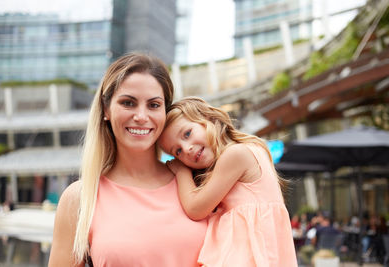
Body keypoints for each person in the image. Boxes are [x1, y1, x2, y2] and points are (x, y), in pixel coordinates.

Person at [48, 53, 207, 266]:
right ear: (106, 109)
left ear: (164, 112)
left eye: (153, 105)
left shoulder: (201, 182)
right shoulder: (80, 198)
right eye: (128, 103)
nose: (141, 116)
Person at [158, 96, 298, 267]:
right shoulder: (249, 150)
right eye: (177, 151)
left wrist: (181, 171)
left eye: (187, 133)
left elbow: (195, 208)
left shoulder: (235, 155)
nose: (186, 149)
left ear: (208, 119)